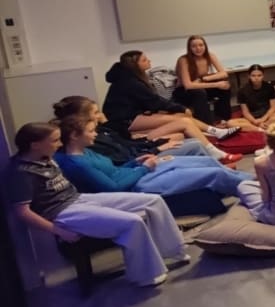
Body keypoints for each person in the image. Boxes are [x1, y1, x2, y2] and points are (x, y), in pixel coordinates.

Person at [7, 122, 188, 287]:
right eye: (54, 140)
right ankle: (145, 275)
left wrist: (133, 163)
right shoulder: (21, 173)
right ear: (35, 145)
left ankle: (173, 249)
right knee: (132, 222)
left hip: (78, 198)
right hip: (62, 212)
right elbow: (22, 212)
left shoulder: (45, 157)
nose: (59, 144)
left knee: (153, 200)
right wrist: (59, 231)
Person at [54, 117, 250, 198]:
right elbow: (114, 188)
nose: (95, 134)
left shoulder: (87, 151)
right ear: (74, 136)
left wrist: (135, 162)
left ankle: (254, 180)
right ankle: (254, 188)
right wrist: (144, 168)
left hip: (138, 171)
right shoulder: (77, 164)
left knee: (206, 161)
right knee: (214, 174)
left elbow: (115, 170)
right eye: (90, 131)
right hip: (138, 186)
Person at [103, 51, 239, 159]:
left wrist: (176, 109)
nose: (149, 60)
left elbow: (151, 102)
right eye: (144, 60)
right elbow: (155, 102)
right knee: (183, 119)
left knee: (181, 116)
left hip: (133, 116)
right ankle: (213, 146)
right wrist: (181, 108)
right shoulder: (130, 82)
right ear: (135, 65)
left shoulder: (128, 78)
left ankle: (214, 132)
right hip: (125, 122)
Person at [52, 96, 243, 166]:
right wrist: (155, 147)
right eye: (96, 113)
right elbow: (124, 152)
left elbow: (124, 141)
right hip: (140, 150)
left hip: (137, 143)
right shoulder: (94, 136)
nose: (100, 114)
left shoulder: (98, 131)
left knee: (181, 127)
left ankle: (214, 153)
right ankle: (215, 153)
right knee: (183, 123)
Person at [173, 36, 232, 124]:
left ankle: (223, 119)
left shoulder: (210, 56)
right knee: (200, 92)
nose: (198, 48)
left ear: (205, 46)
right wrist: (216, 84)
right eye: (194, 46)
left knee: (225, 85)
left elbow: (224, 73)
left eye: (201, 45)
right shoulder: (184, 60)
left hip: (200, 86)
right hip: (183, 91)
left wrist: (203, 78)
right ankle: (206, 124)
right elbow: (188, 85)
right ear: (189, 48)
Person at [236, 64, 275, 130]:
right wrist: (254, 121)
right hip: (251, 117)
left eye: (259, 75)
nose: (256, 78)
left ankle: (264, 125)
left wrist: (263, 119)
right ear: (249, 76)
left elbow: (273, 107)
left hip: (267, 116)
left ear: (263, 76)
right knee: (230, 123)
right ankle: (260, 129)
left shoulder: (269, 87)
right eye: (253, 75)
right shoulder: (242, 90)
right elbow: (245, 112)